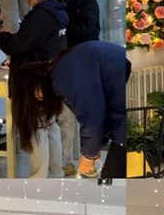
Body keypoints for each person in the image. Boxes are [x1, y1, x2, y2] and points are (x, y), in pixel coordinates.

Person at [10, 41, 127, 178]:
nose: (38, 99)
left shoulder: (63, 78)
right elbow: (97, 109)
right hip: (123, 91)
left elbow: (92, 116)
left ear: (36, 89)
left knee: (111, 176)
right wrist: (94, 147)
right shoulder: (62, 66)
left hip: (124, 101)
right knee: (113, 174)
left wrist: (88, 155)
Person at [0, 0, 68, 179]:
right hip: (52, 77)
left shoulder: (41, 15)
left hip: (36, 80)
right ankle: (56, 175)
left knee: (37, 128)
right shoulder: (57, 11)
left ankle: (38, 179)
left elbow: (20, 43)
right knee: (50, 125)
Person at [48, 0, 101, 175]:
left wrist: (63, 23)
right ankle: (64, 163)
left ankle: (87, 162)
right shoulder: (56, 1)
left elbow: (86, 29)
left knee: (85, 116)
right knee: (65, 116)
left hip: (85, 63)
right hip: (63, 64)